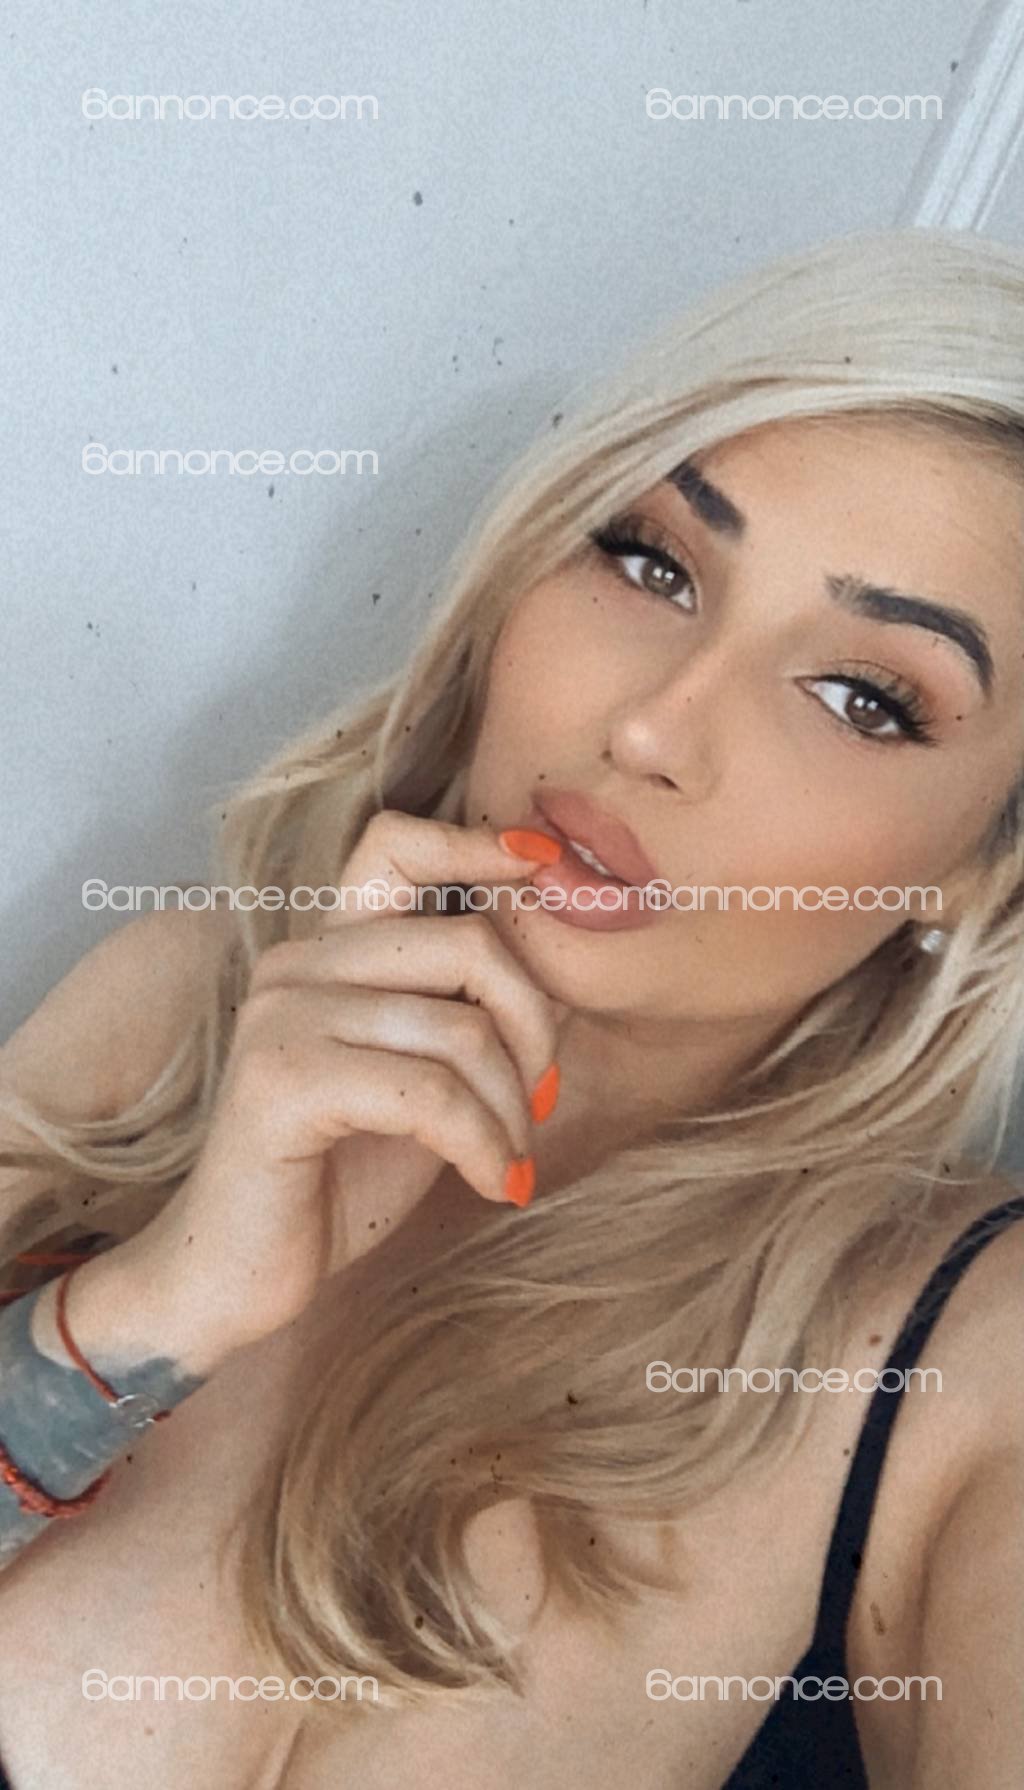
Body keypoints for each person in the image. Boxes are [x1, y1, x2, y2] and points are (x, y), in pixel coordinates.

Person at [0, 226, 1022, 1788]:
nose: (656, 724)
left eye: (863, 697)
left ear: (976, 874)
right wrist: (144, 1314)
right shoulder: (181, 1016)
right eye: (653, 563)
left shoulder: (967, 1358)